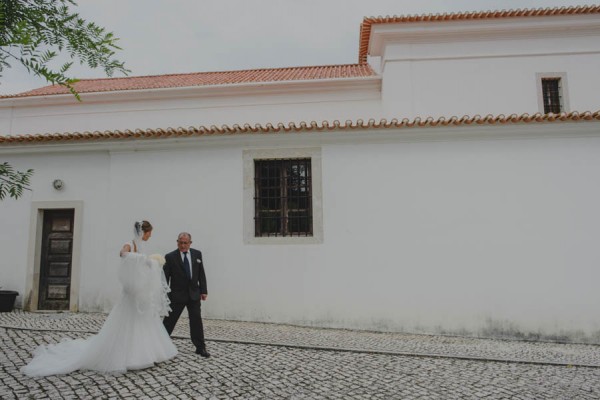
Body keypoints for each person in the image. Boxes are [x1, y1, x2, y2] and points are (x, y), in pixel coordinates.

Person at [21, 221, 177, 377]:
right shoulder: (129, 244)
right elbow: (122, 254)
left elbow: (138, 267)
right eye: (150, 233)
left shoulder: (141, 245)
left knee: (141, 320)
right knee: (128, 320)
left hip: (138, 290)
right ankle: (126, 355)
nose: (150, 236)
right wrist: (142, 258)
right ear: (144, 232)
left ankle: (146, 351)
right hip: (130, 293)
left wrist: (149, 264)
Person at [163, 232, 210, 357]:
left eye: (185, 243)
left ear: (190, 243)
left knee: (196, 321)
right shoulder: (170, 257)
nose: (183, 245)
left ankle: (200, 347)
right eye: (180, 242)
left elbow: (201, 273)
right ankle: (160, 345)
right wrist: (165, 294)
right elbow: (165, 278)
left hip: (194, 294)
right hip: (176, 295)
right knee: (169, 321)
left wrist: (204, 290)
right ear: (177, 242)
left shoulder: (197, 254)